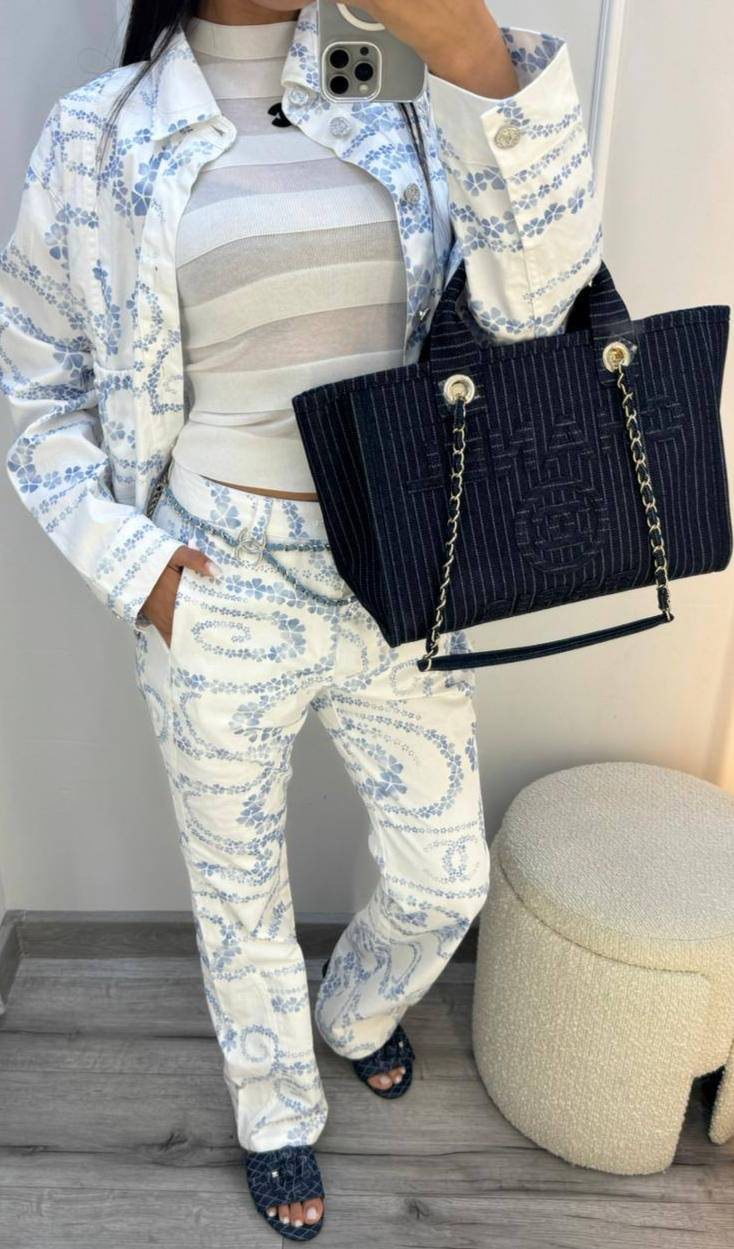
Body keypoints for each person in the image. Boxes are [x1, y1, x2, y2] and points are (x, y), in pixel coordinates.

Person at [0, 0, 603, 1238]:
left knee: (446, 875)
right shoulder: (98, 133)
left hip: (402, 565)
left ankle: (354, 1010)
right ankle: (273, 1110)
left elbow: (537, 309)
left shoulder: (392, 85)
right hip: (215, 572)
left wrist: (475, 59)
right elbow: (37, 386)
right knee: (239, 894)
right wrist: (143, 572)